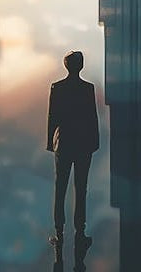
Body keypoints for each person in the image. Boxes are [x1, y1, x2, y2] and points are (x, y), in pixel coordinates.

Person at [47, 50, 99, 260]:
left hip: (64, 144)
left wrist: (50, 142)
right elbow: (92, 118)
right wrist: (95, 143)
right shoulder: (88, 88)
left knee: (60, 188)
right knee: (81, 188)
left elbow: (52, 117)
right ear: (81, 66)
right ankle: (80, 229)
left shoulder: (57, 88)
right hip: (83, 144)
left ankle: (59, 232)